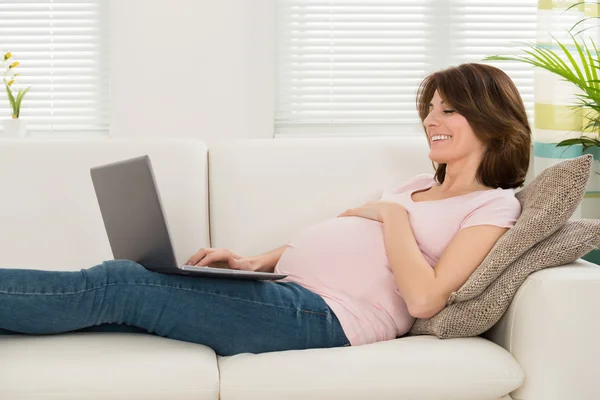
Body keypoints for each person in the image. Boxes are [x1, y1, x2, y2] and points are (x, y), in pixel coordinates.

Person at [0, 63, 531, 356]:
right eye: (430, 108)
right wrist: (256, 262)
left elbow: (424, 298)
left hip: (325, 318)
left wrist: (392, 217)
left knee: (120, 283)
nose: (432, 120)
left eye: (450, 109)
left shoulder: (493, 206)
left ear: (490, 119)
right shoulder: (417, 183)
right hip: (283, 292)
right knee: (128, 287)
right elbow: (347, 239)